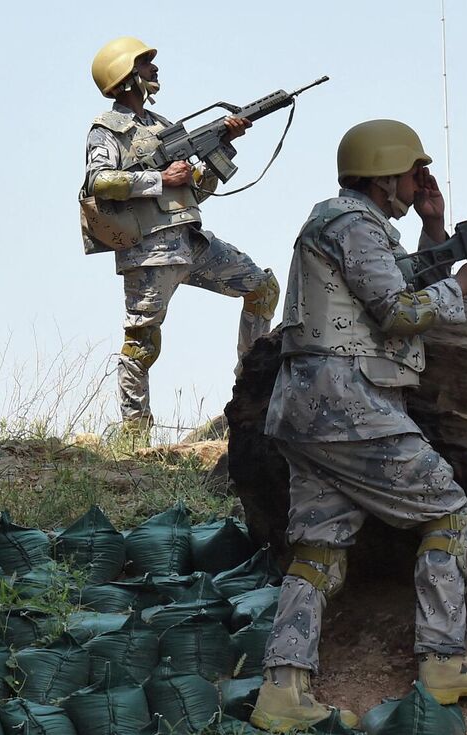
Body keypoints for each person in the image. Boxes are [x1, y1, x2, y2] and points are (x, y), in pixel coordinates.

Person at [251, 119, 467, 732]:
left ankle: (282, 690)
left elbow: (399, 280)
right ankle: (443, 660)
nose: (420, 179)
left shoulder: (350, 224)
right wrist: (463, 286)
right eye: (412, 170)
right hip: (347, 403)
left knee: (318, 549)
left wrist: (431, 225)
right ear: (383, 173)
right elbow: (398, 311)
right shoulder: (352, 223)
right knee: (448, 513)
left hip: (307, 406)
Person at [82, 36, 280, 438]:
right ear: (125, 78)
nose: (153, 70)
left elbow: (195, 192)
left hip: (190, 242)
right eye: (143, 65)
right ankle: (134, 437)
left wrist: (222, 147)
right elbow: (98, 181)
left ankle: (252, 395)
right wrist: (159, 178)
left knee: (263, 289)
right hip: (150, 251)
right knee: (141, 340)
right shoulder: (107, 129)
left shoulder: (161, 126)